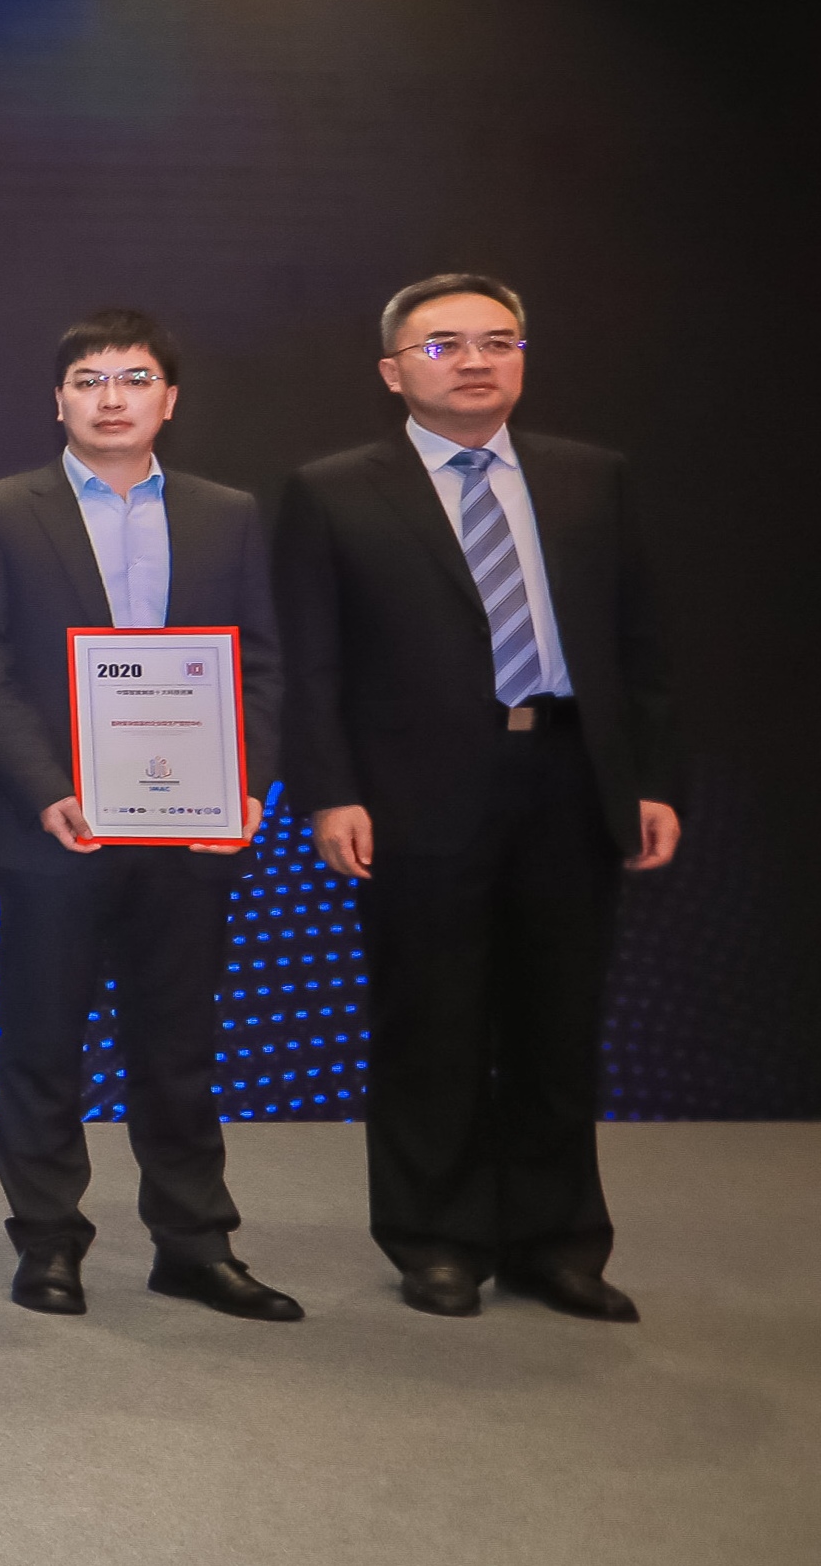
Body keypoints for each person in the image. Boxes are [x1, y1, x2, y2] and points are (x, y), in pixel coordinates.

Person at [280, 275, 675, 1322]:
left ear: (522, 359)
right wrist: (328, 792)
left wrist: (648, 780)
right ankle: (437, 1239)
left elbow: (638, 647)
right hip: (414, 791)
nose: (473, 361)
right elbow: (310, 664)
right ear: (391, 371)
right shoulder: (331, 490)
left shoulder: (591, 477)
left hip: (568, 776)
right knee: (431, 1019)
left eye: (497, 342)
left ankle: (558, 1243)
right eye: (443, 344)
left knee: (559, 1020)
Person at [0, 310, 299, 1321]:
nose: (111, 398)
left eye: (134, 379)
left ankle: (194, 1243)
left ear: (168, 400)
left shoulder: (227, 513)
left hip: (188, 825)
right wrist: (45, 789)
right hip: (52, 826)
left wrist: (244, 784)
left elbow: (259, 663)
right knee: (41, 1045)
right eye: (89, 380)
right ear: (57, 400)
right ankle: (48, 1242)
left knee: (177, 1048)